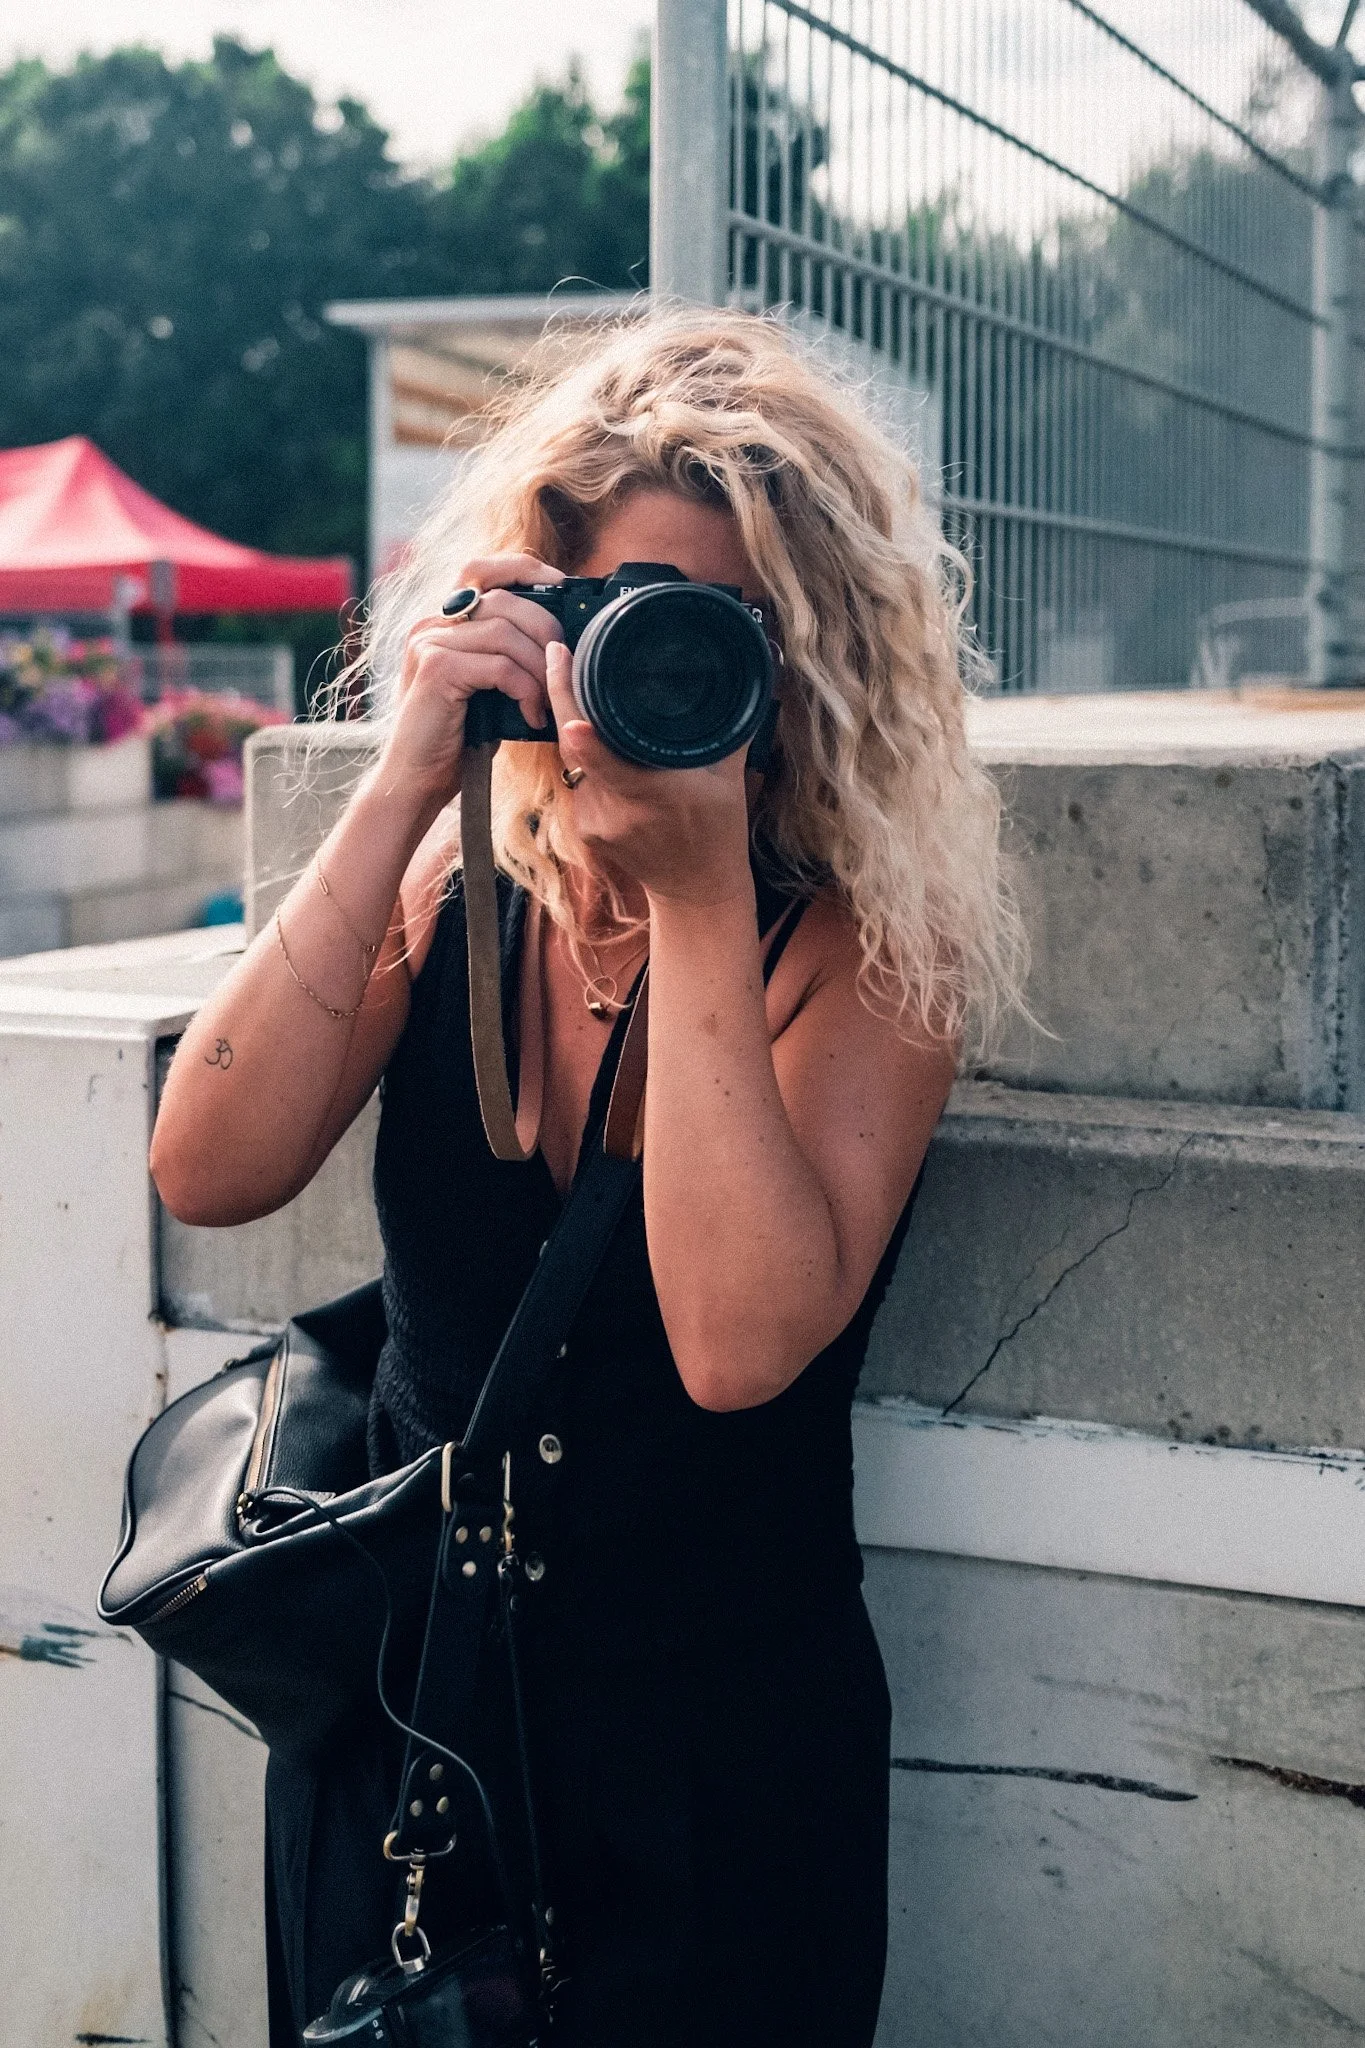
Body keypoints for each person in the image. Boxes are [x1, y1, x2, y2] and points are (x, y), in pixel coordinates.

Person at [150, 307, 1024, 2048]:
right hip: (411, 1741)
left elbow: (734, 1347)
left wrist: (699, 896)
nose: (670, 664)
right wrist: (406, 777)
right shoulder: (453, 901)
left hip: (708, 1785)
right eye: (619, 610)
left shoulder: (869, 957)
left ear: (821, 656)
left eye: (727, 627)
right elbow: (206, 1164)